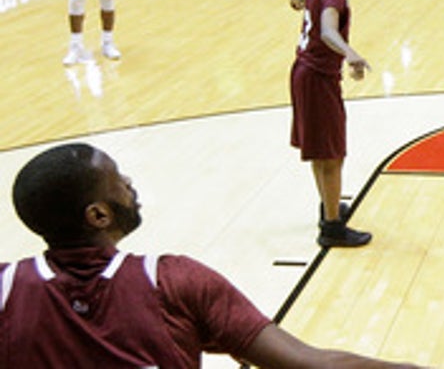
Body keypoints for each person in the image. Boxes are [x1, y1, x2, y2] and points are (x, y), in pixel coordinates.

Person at [1, 144, 422, 368]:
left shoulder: (5, 290)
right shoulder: (171, 282)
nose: (128, 182)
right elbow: (311, 365)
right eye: (116, 181)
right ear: (98, 215)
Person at [289, 0, 372, 248]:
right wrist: (350, 53)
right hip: (317, 78)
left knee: (321, 152)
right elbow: (327, 31)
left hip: (305, 74)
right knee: (333, 154)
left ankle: (330, 206)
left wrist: (300, 1)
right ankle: (332, 227)